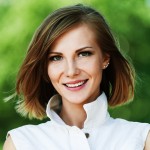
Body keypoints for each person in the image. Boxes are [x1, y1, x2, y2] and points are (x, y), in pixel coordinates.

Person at [3, 4, 150, 150]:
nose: (71, 71)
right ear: (45, 68)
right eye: (56, 58)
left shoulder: (141, 138)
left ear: (105, 59)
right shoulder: (20, 142)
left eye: (83, 54)